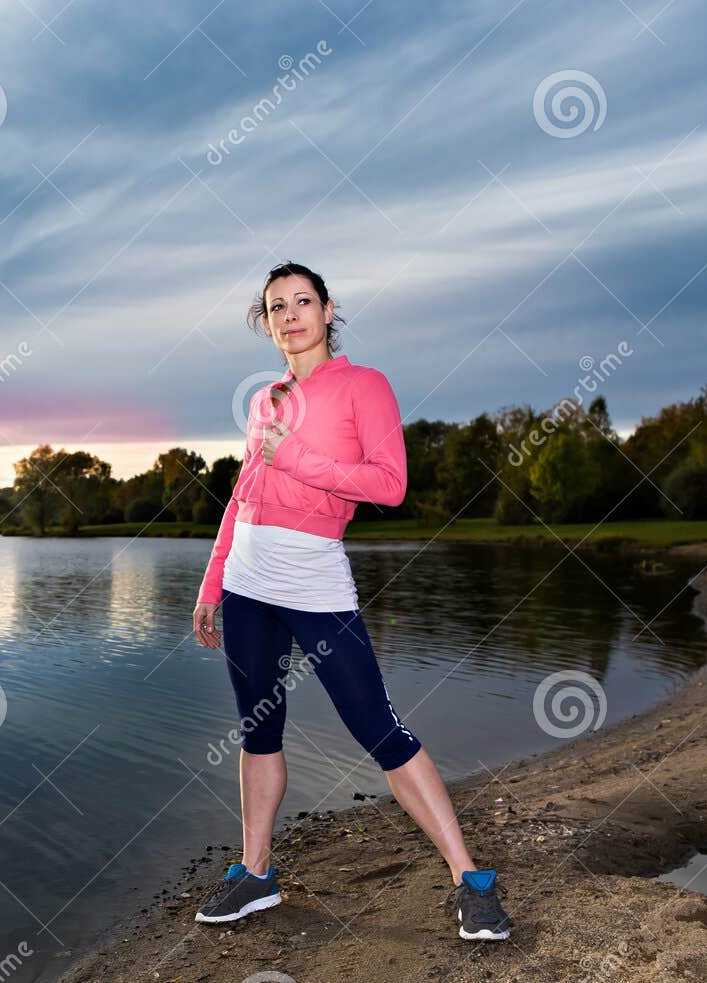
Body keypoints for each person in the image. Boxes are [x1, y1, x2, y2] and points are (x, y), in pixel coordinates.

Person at [190, 260, 512, 941]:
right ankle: (256, 873)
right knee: (258, 731)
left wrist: (299, 461)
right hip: (248, 583)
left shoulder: (365, 387)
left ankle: (469, 880)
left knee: (381, 730)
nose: (290, 315)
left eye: (302, 301)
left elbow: (389, 484)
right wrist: (212, 580)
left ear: (328, 310)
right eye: (276, 306)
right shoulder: (266, 398)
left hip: (314, 581)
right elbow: (244, 492)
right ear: (266, 322)